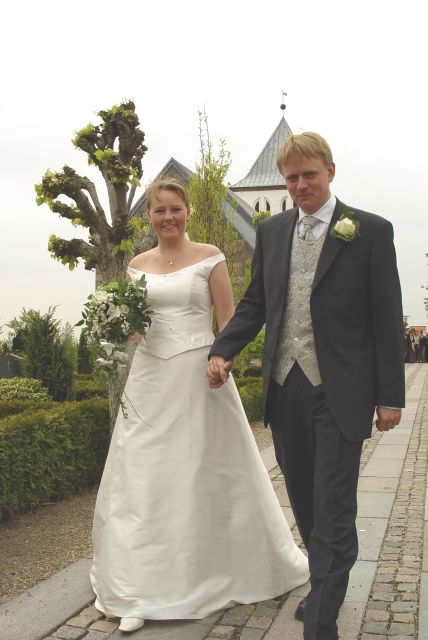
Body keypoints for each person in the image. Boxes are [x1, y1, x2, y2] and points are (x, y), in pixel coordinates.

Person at [207, 132, 405, 640]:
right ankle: (324, 585)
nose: (300, 186)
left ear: (330, 172)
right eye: (291, 178)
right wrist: (223, 349)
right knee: (306, 500)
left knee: (334, 505)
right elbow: (256, 302)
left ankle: (321, 622)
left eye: (309, 175)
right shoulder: (272, 231)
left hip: (342, 391)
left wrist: (390, 396)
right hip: (286, 387)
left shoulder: (369, 231)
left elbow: (387, 317)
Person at [90, 178, 309, 633]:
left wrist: (223, 360)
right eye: (159, 210)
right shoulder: (136, 265)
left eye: (175, 209)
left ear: (187, 211)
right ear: (148, 216)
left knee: (204, 470)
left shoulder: (211, 257)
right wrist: (118, 326)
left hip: (200, 376)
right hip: (150, 380)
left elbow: (229, 322)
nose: (168, 217)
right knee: (144, 474)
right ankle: (138, 588)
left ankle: (217, 569)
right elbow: (137, 327)